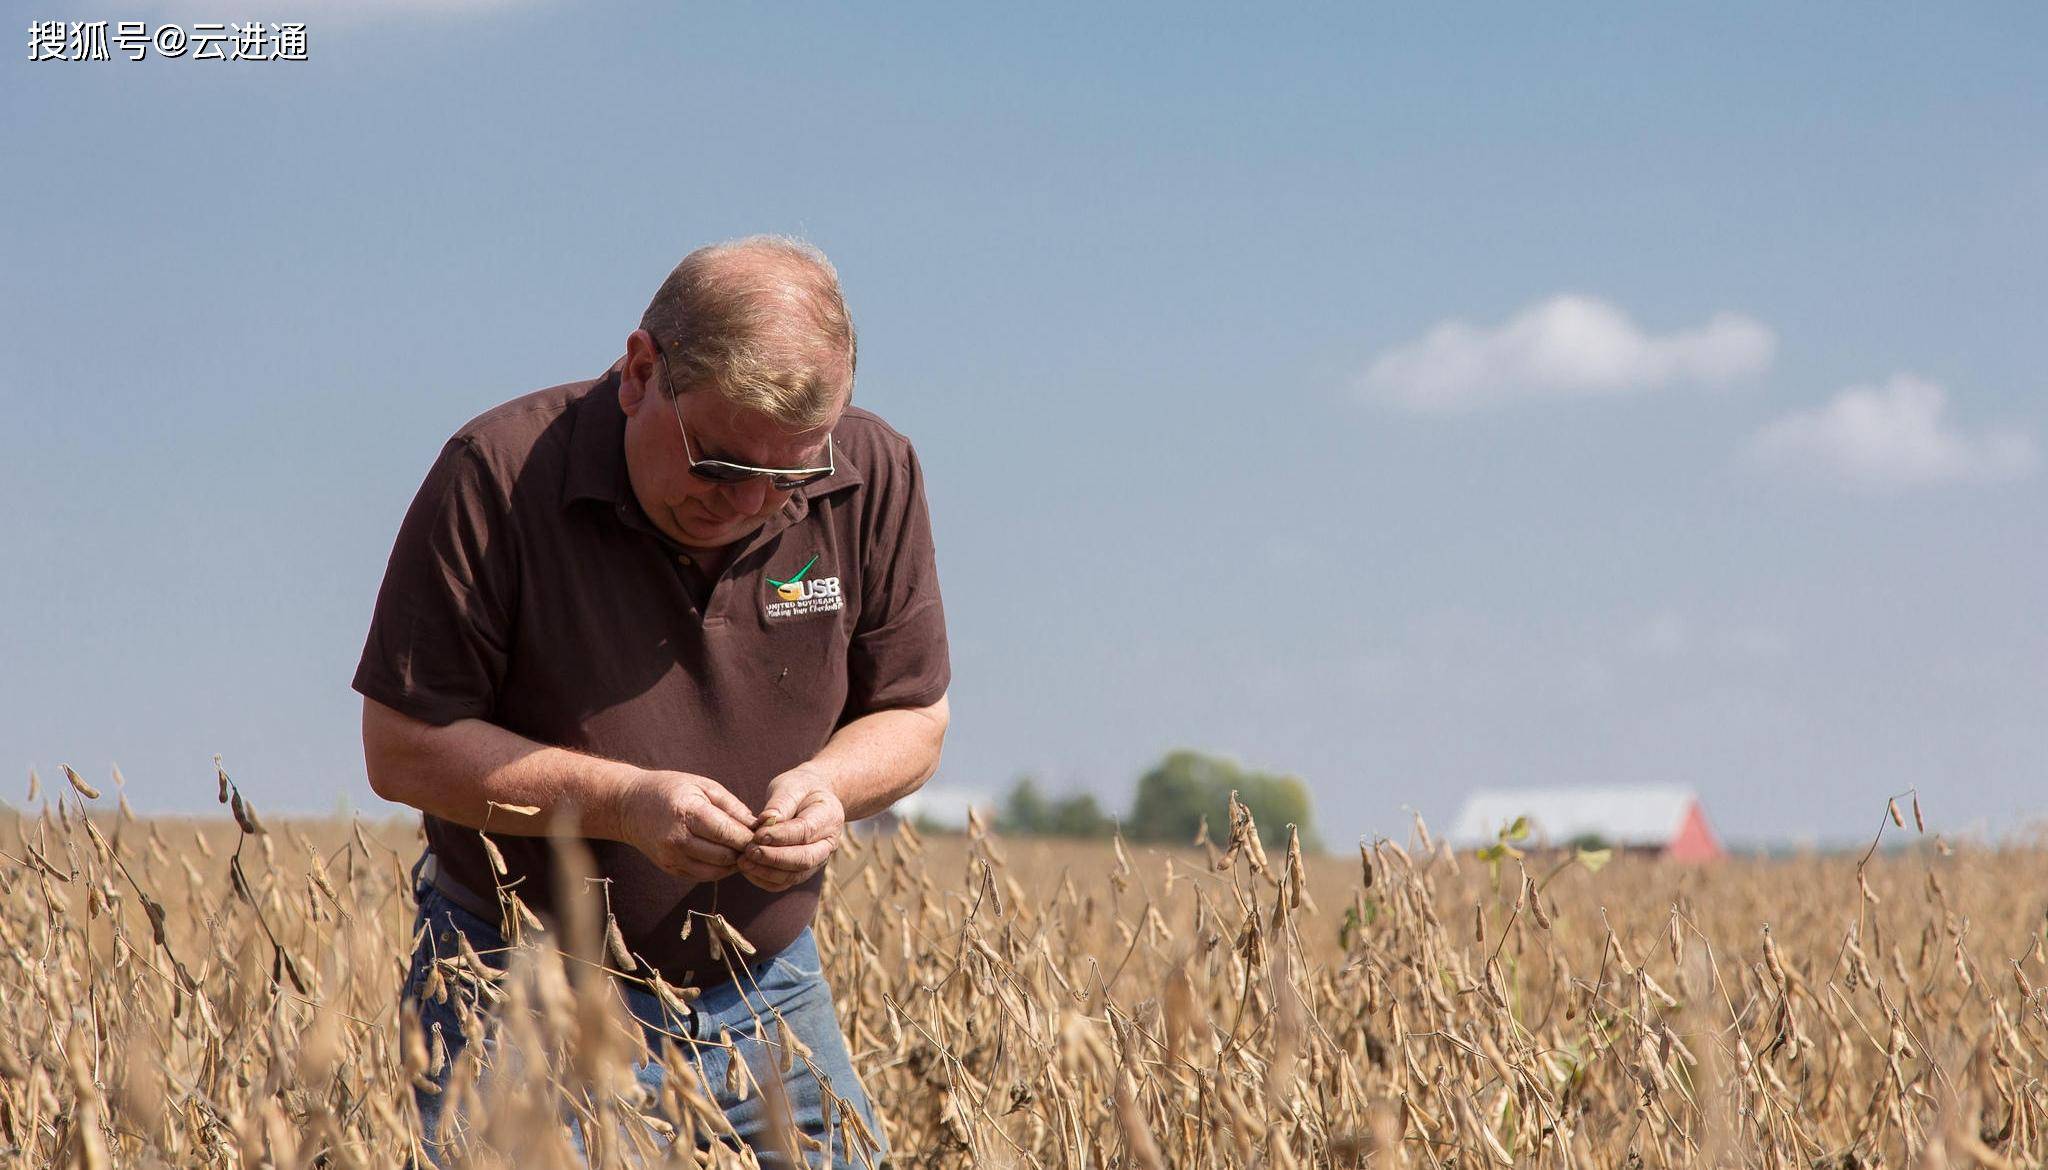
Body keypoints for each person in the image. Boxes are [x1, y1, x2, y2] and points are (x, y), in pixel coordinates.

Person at [353, 236, 949, 1167]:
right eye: (718, 464)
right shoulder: (498, 475)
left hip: (771, 995)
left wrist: (831, 786)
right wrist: (623, 804)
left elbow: (914, 716)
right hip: (519, 986)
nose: (749, 504)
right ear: (641, 371)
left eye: (785, 476)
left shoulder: (871, 473)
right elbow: (401, 747)